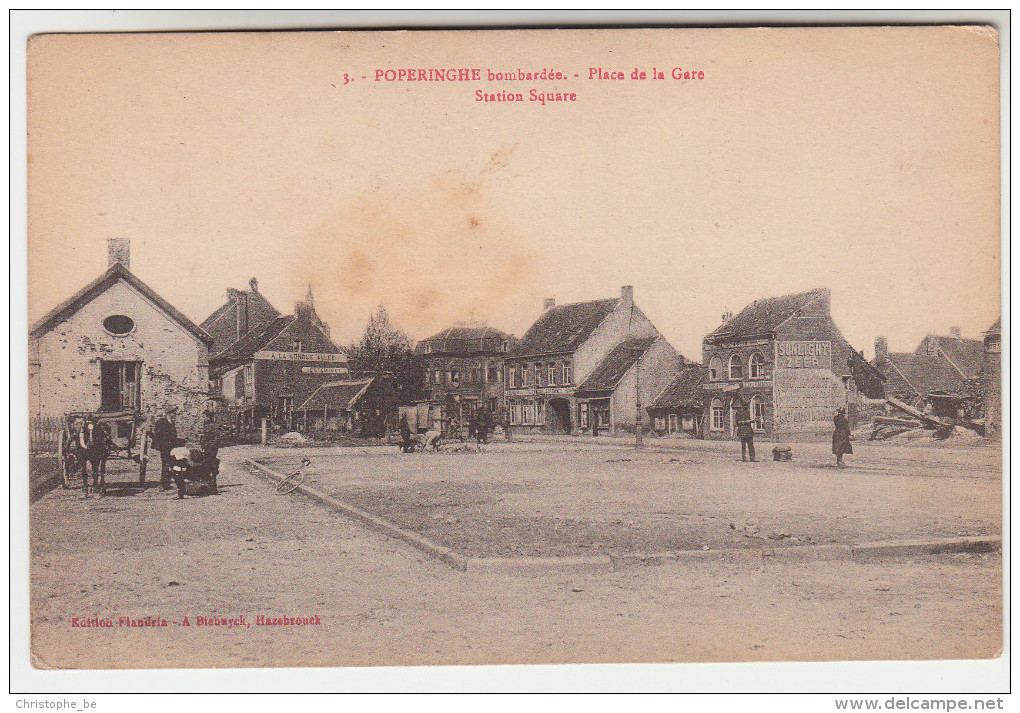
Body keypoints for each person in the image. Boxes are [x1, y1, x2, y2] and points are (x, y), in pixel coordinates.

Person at [79, 418, 110, 497]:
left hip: (96, 449)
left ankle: (97, 486)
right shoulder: (82, 431)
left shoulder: (98, 431)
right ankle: (85, 487)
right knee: (83, 468)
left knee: (96, 468)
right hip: (83, 447)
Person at [153, 408, 178, 491]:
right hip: (164, 446)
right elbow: (158, 434)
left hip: (171, 446)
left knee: (172, 463)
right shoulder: (161, 422)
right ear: (169, 413)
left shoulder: (172, 422)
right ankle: (163, 484)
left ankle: (167, 482)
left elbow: (174, 434)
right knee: (166, 464)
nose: (175, 415)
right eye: (174, 413)